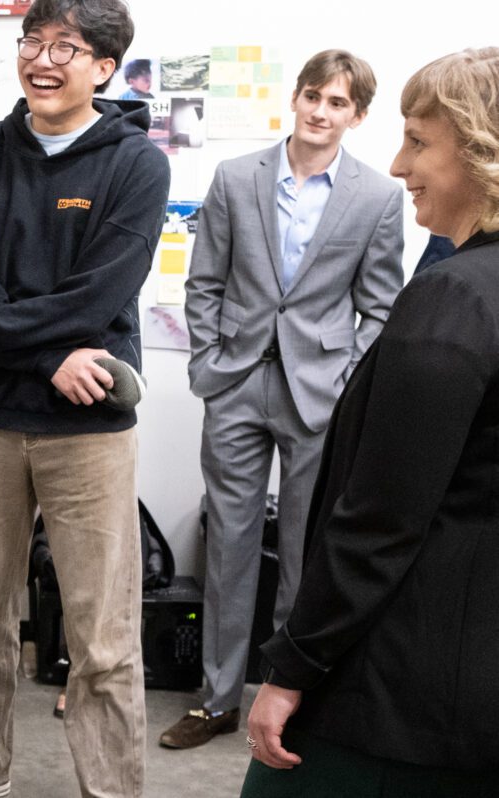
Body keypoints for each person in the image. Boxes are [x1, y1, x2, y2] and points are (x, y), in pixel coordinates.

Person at [0, 0, 168, 794]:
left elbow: (96, 297)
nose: (43, 60)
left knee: (103, 632)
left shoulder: (135, 165)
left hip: (87, 429)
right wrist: (50, 354)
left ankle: (110, 789)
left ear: (103, 69)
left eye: (68, 47)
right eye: (34, 41)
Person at [243, 47, 499, 796]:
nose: (395, 164)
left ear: (484, 151)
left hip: (396, 692)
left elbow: (381, 519)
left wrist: (291, 670)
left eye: (419, 142)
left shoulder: (454, 302)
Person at [169, 50, 405, 750]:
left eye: (337, 103)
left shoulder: (377, 196)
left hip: (320, 395)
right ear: (295, 98)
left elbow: (383, 307)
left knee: (307, 555)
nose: (320, 112)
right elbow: (203, 280)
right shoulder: (238, 178)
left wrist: (345, 381)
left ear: (356, 116)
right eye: (312, 96)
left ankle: (287, 697)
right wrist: (210, 362)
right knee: (230, 548)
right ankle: (215, 701)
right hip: (237, 383)